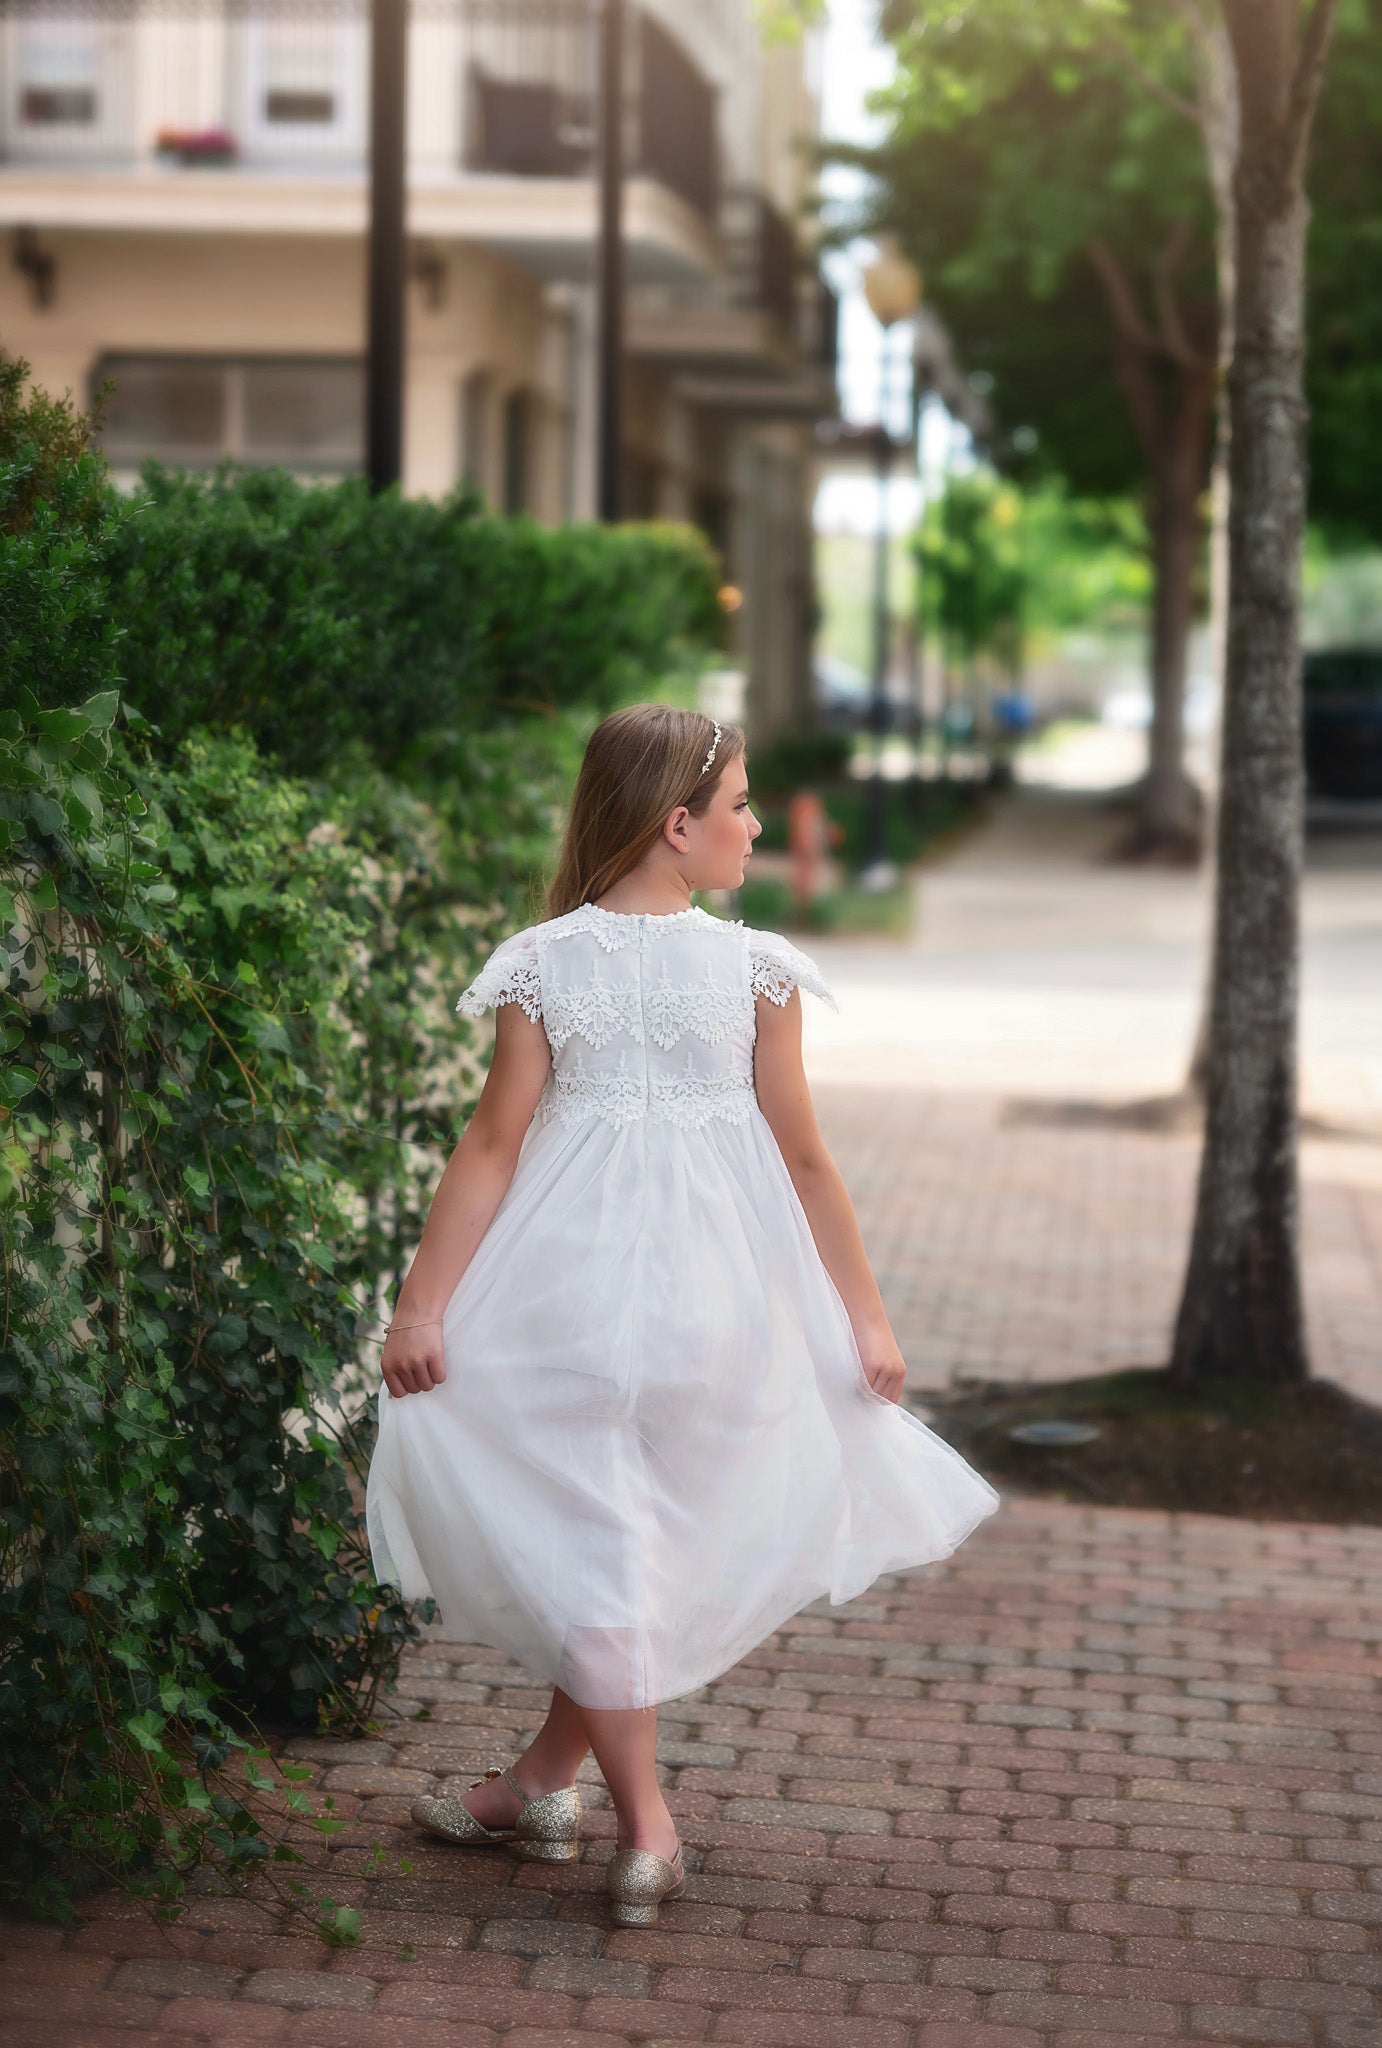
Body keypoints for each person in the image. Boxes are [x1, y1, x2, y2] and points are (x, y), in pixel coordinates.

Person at [365, 703, 1000, 1928]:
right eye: (741, 804)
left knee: (601, 1534)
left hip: (567, 1287)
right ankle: (540, 1787)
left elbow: (493, 1146)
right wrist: (861, 1319)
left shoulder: (541, 958)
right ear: (676, 826)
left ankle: (645, 1827)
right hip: (721, 1297)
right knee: (619, 1536)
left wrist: (423, 1304)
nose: (757, 826)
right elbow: (805, 1160)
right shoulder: (753, 968)